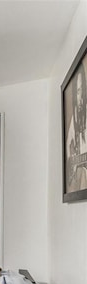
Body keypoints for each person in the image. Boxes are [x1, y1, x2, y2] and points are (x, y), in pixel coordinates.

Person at [66, 61, 87, 193]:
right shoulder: (75, 117)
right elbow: (69, 142)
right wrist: (72, 159)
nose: (79, 97)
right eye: (77, 92)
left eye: (81, 90)